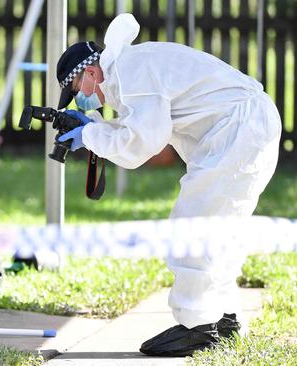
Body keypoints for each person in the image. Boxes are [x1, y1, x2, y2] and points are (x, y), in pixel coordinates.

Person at [55, 13, 281, 357]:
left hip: (238, 129)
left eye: (76, 93)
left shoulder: (131, 72)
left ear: (89, 72)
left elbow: (140, 144)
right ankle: (221, 318)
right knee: (218, 228)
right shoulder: (131, 69)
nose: (80, 100)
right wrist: (94, 130)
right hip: (246, 126)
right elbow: (143, 128)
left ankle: (198, 326)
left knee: (192, 225)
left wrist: (89, 133)